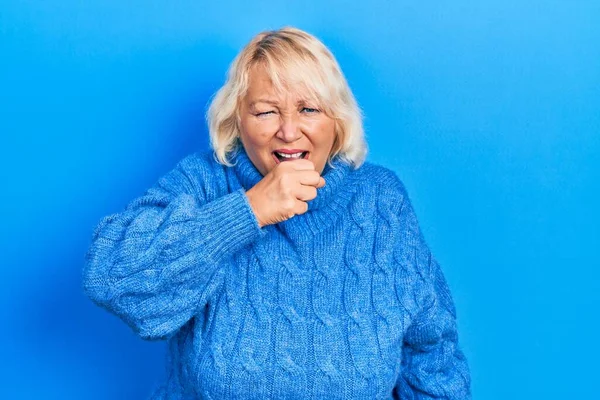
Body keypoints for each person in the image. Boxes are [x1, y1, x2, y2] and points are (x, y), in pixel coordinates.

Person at [82, 26, 471, 399]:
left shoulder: (380, 200)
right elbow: (112, 280)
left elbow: (432, 352)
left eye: (309, 109)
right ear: (237, 120)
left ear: (338, 120)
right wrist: (248, 210)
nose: (288, 131)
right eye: (266, 112)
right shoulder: (203, 182)